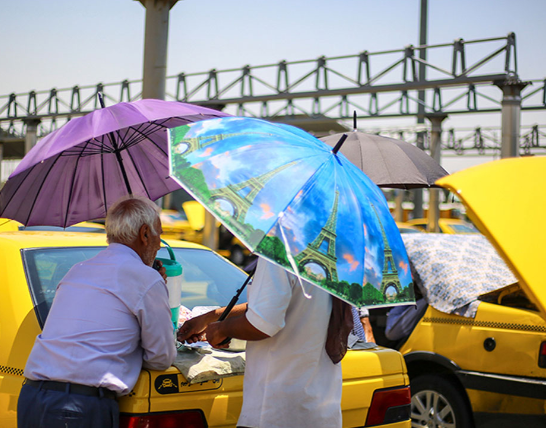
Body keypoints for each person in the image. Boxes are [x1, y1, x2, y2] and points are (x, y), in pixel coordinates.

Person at [18, 195, 177, 428]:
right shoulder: (145, 278)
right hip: (79, 408)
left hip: (33, 398)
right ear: (145, 234)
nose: (160, 244)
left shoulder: (78, 269)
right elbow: (161, 358)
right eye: (159, 235)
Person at [178, 257, 343, 428]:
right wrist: (211, 317)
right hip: (321, 407)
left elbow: (264, 324)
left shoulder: (279, 249)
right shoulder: (332, 254)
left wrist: (221, 329)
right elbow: (273, 304)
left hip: (277, 410)